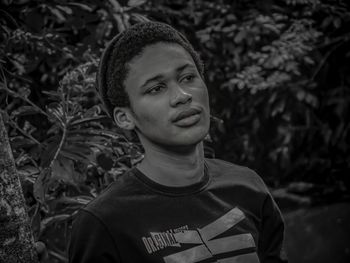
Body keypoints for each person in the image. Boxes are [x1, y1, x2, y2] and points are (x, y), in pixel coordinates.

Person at [68, 21, 288, 263]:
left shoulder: (248, 188)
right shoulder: (105, 224)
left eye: (187, 77)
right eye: (156, 88)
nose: (183, 96)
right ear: (125, 117)